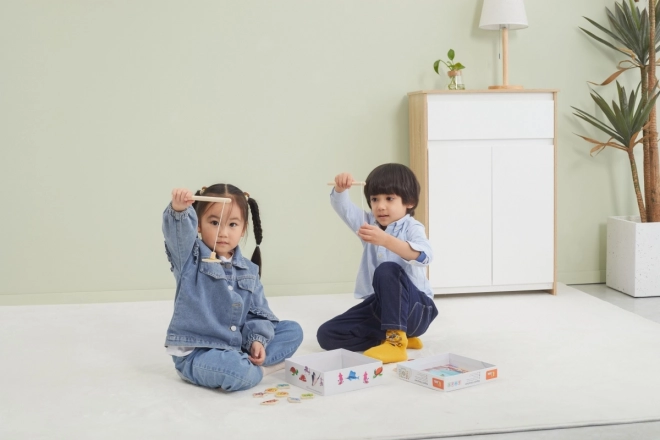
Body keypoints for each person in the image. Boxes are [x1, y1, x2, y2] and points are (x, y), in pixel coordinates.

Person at [162, 184, 303, 391]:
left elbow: (259, 312)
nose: (223, 233)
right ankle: (257, 370)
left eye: (233, 224)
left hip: (237, 343)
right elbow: (178, 235)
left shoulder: (249, 269)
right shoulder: (189, 260)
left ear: (244, 228)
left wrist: (257, 341)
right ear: (198, 225)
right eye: (214, 222)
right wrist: (179, 211)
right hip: (200, 353)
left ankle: (250, 360)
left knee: (292, 330)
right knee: (239, 371)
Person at [317, 164, 438, 363]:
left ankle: (396, 343)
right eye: (375, 199)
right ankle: (397, 335)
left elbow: (426, 256)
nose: (380, 206)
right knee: (327, 335)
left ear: (409, 202)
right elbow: (344, 208)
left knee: (387, 269)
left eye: (389, 198)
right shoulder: (369, 224)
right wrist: (340, 189)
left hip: (417, 310)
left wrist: (386, 240)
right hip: (383, 309)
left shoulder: (412, 227)